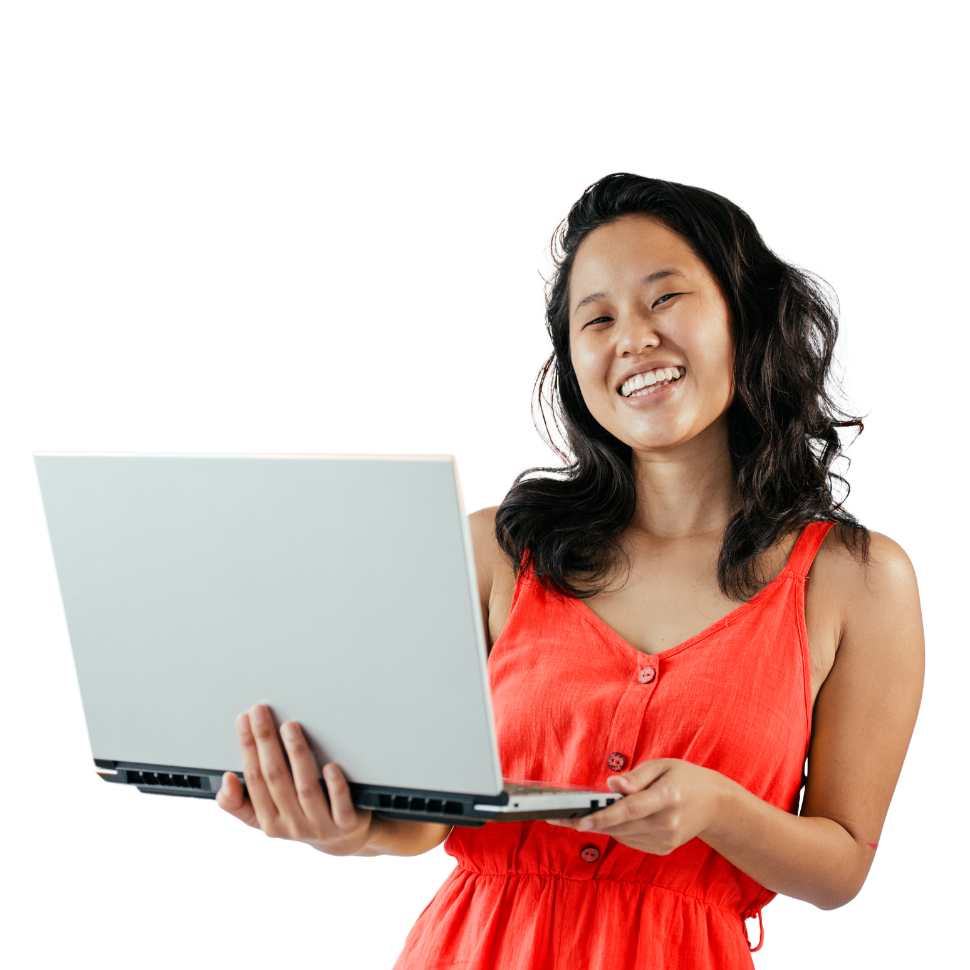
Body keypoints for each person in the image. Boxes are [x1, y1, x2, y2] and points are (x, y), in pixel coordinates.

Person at [214, 170, 926, 968]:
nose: (634, 339)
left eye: (664, 299)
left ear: (746, 315)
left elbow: (840, 870)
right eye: (597, 319)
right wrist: (352, 829)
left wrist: (719, 811)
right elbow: (430, 818)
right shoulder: (496, 550)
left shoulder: (858, 581)